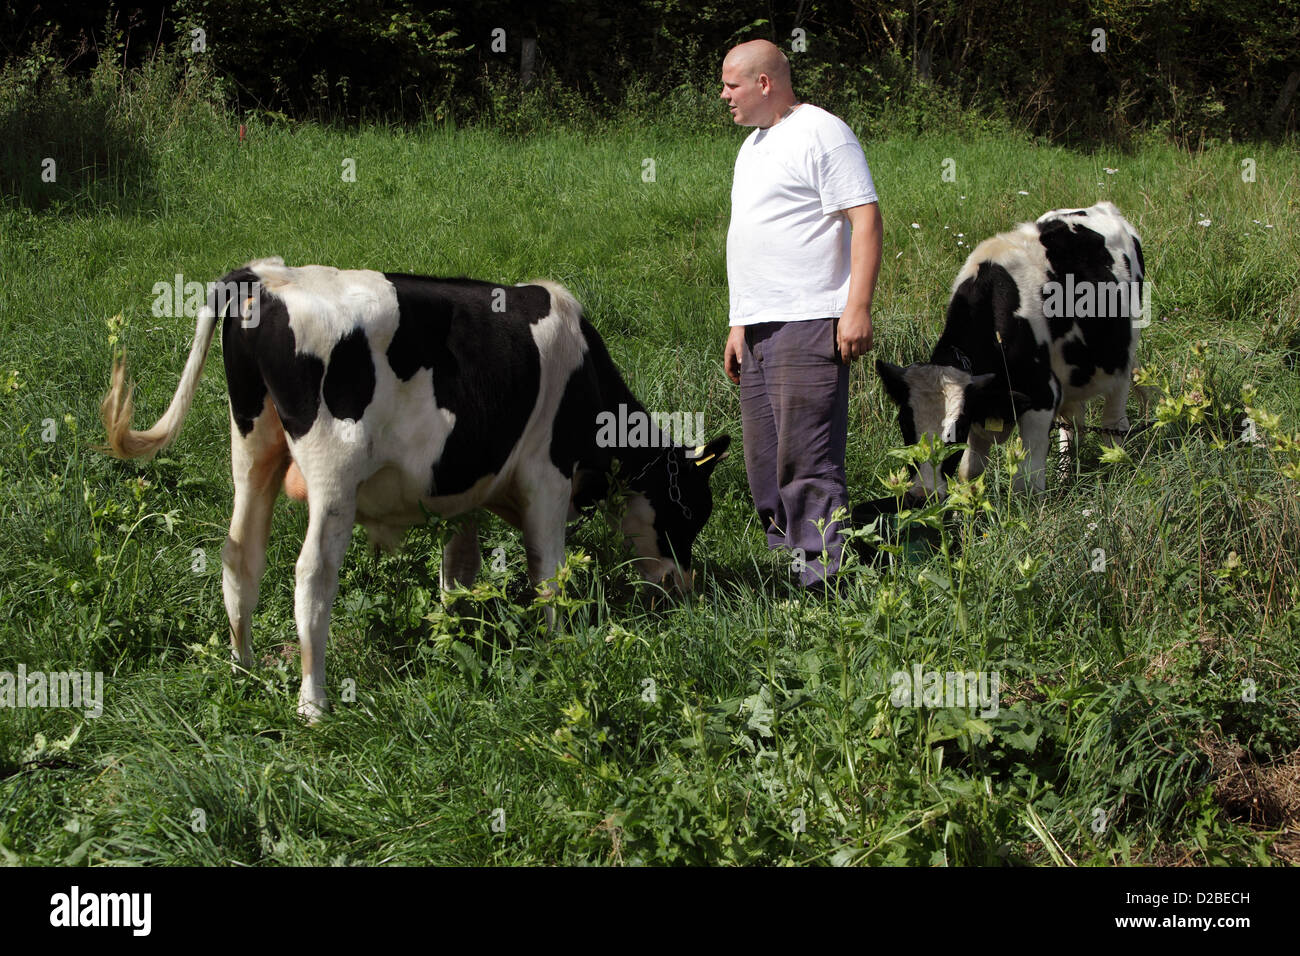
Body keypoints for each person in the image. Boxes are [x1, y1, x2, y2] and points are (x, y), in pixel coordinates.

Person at [720, 38, 882, 589]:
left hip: (810, 321)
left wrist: (856, 307)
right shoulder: (753, 147)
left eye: (731, 84)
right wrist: (739, 323)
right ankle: (784, 571)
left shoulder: (823, 132)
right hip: (759, 329)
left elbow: (865, 218)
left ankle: (824, 584)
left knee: (807, 462)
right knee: (765, 465)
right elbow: (754, 239)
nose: (724, 96)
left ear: (764, 82)